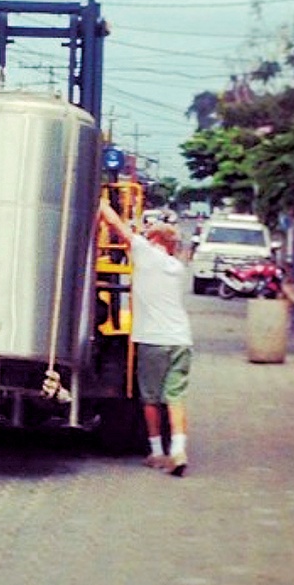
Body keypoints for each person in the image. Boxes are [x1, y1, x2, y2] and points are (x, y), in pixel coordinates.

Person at [98, 197, 194, 476]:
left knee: (150, 398)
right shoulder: (176, 268)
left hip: (153, 341)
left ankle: (156, 452)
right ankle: (178, 449)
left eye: (149, 237)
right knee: (174, 397)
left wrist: (101, 202)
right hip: (181, 340)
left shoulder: (147, 253)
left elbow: (117, 226)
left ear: (157, 242)